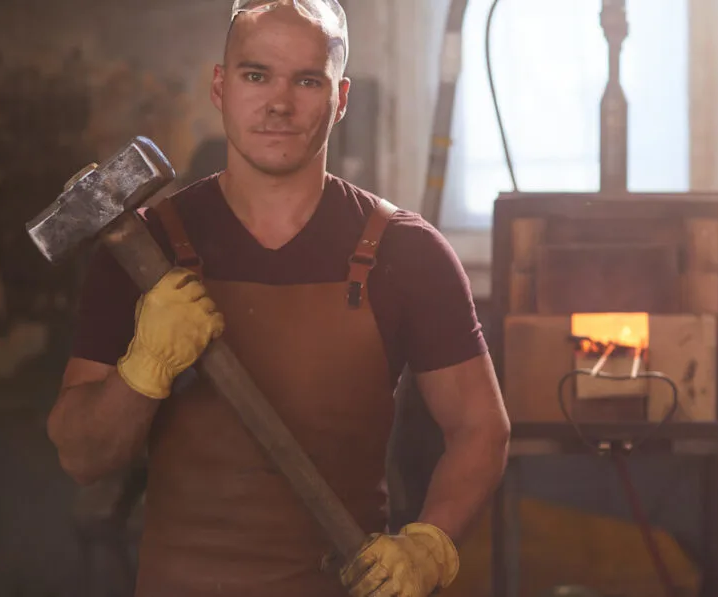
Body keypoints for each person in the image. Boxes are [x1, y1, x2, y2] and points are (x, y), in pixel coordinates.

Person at [46, 1, 511, 596]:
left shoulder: (407, 253)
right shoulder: (144, 251)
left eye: (308, 81)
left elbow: (481, 429)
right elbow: (82, 459)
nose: (279, 104)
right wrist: (145, 368)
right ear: (221, 86)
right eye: (256, 74)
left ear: (339, 98)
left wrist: (430, 544)